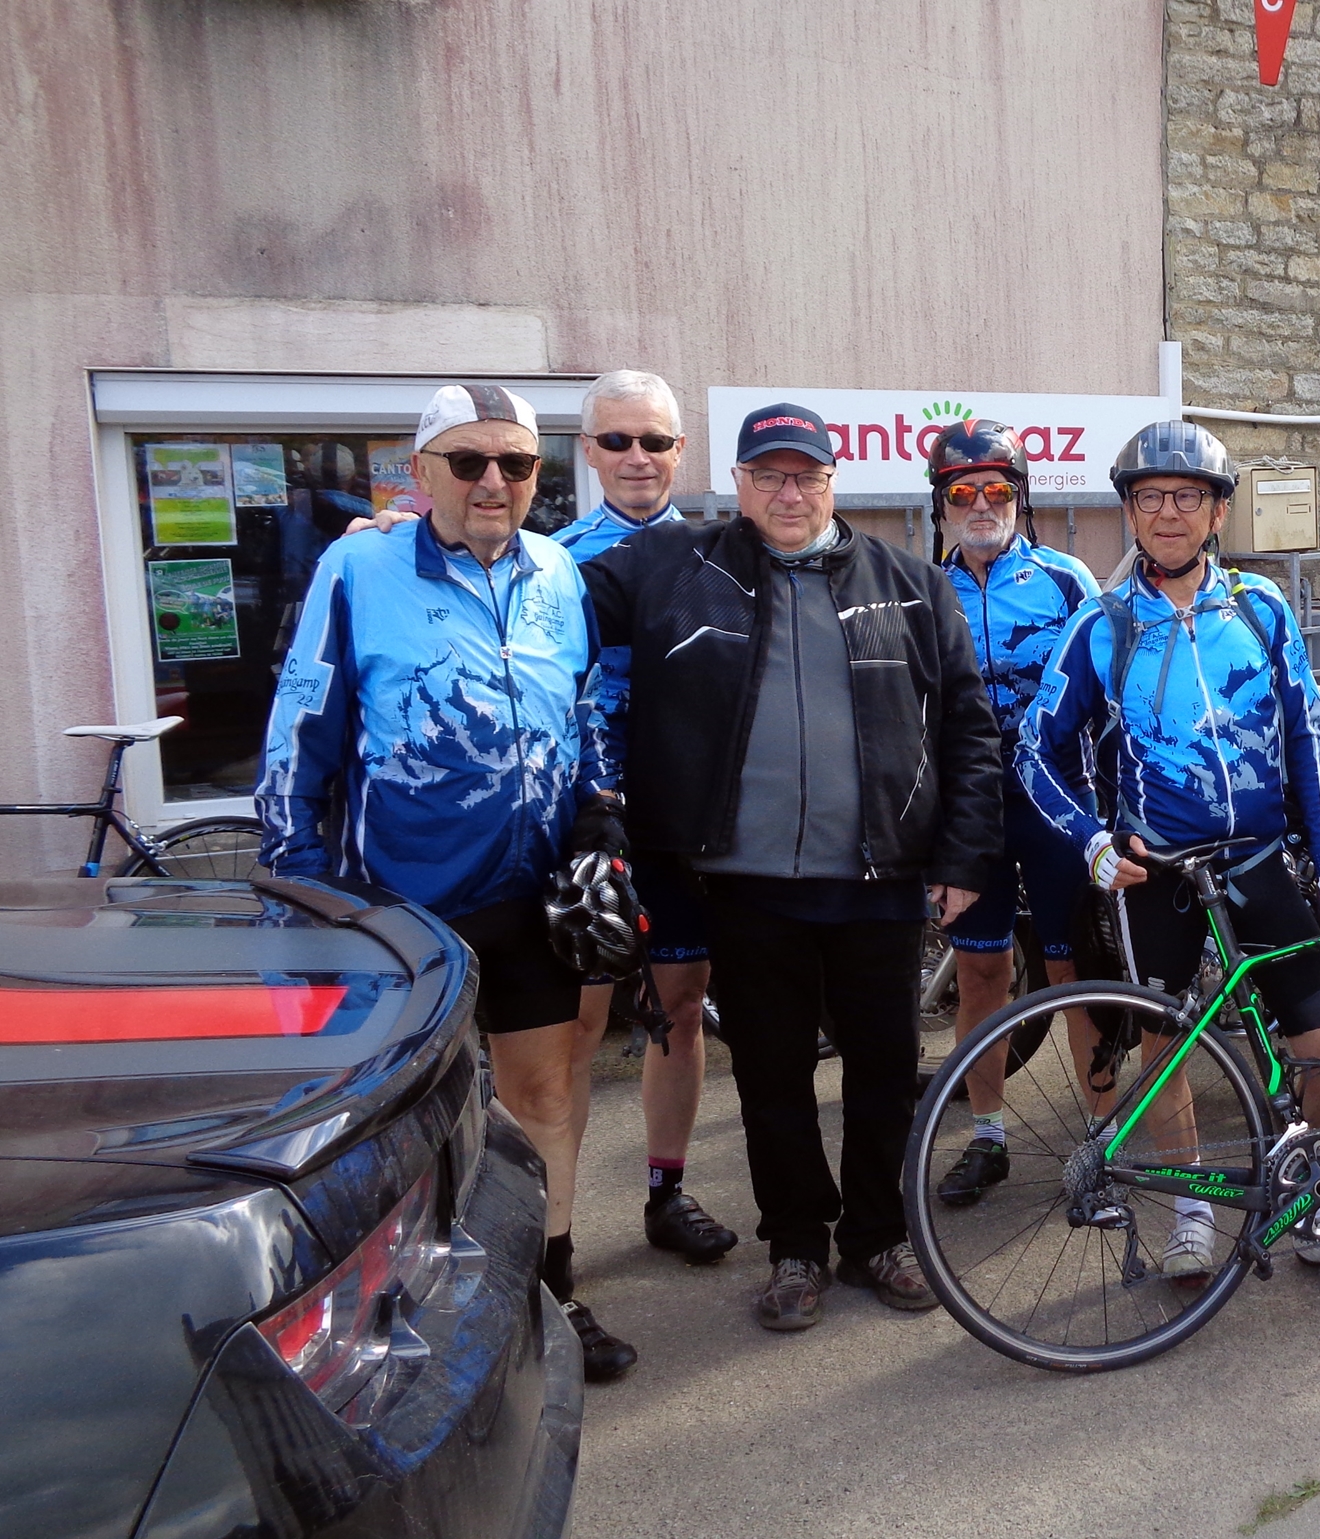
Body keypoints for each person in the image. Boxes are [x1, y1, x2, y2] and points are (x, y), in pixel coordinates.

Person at [576, 402, 1002, 1332]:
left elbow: (970, 729)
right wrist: (420, 538)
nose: (788, 492)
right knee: (772, 1080)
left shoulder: (910, 583)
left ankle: (879, 1236)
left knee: (884, 1072)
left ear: (833, 481)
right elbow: (540, 588)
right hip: (745, 882)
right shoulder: (675, 565)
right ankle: (797, 1246)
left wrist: (964, 853)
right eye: (767, 475)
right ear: (737, 483)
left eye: (805, 474)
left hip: (879, 878)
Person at [257, 382, 639, 1381]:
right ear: (422, 472)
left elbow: (584, 703)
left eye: (516, 463)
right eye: (468, 462)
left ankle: (548, 1293)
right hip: (402, 903)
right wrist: (302, 890)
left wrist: (599, 801)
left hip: (533, 890)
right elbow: (300, 729)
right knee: (409, 1119)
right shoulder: (358, 567)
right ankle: (400, 1313)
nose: (493, 481)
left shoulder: (558, 569)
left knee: (544, 1092)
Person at [1018, 421, 1320, 1281]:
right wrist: (1090, 840)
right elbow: (1035, 751)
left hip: (1259, 860)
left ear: (1219, 512)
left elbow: (1306, 741)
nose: (1169, 512)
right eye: (1150, 497)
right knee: (1167, 1045)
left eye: (1188, 496)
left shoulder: (1261, 610)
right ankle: (1191, 1212)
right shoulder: (1102, 625)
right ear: (1130, 512)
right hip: (1159, 872)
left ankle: (1312, 1204)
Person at [547, 370, 737, 1265]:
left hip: (681, 824)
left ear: (679, 450)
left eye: (654, 441)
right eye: (617, 440)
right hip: (586, 826)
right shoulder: (548, 562)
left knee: (683, 1008)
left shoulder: (717, 556)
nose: (637, 457)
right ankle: (555, 1231)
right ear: (588, 450)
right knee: (576, 1033)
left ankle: (666, 1193)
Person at [921, 420, 1103, 1206]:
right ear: (940, 505)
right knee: (981, 972)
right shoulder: (925, 589)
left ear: (1020, 498)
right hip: (970, 812)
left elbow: (1111, 694)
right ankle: (988, 1137)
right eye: (962, 491)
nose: (981, 504)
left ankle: (1102, 1141)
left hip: (1059, 804)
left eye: (997, 489)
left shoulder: (1066, 579)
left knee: (1074, 970)